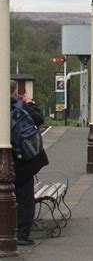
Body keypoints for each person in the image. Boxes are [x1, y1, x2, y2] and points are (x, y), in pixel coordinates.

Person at [10, 80, 49, 246]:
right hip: (24, 160)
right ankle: (22, 233)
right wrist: (29, 103)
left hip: (11, 158)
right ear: (14, 91)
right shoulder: (19, 106)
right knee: (25, 197)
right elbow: (39, 119)